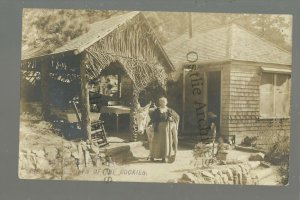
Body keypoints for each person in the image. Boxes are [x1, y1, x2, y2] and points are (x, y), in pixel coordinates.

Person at [150, 97, 179, 163]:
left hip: (166, 128)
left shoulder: (169, 110)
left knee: (165, 142)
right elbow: (153, 119)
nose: (163, 103)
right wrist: (151, 124)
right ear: (159, 102)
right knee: (157, 142)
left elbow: (176, 117)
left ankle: (164, 157)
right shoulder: (157, 110)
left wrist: (171, 119)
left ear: (166, 102)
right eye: (161, 101)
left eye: (164, 101)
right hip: (158, 127)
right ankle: (154, 156)